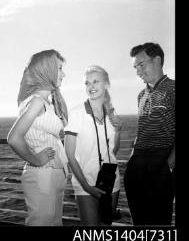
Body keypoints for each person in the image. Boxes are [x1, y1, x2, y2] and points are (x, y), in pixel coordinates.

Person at [7, 49, 69, 226]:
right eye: (59, 68)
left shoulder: (46, 102)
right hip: (43, 175)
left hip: (55, 174)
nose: (63, 74)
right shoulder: (37, 102)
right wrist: (35, 159)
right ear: (46, 70)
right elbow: (13, 138)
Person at [64, 66, 123, 225]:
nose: (91, 86)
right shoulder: (76, 113)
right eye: (87, 83)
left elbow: (113, 151)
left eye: (96, 81)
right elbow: (69, 154)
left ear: (107, 84)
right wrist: (87, 186)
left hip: (111, 181)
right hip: (85, 183)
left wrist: (118, 131)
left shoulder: (111, 114)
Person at [124, 42, 175, 225]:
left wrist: (168, 166)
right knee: (140, 223)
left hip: (160, 164)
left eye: (141, 65)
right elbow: (142, 130)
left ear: (157, 60)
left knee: (159, 225)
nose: (138, 71)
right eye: (135, 67)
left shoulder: (173, 89)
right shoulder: (141, 95)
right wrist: (131, 159)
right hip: (137, 165)